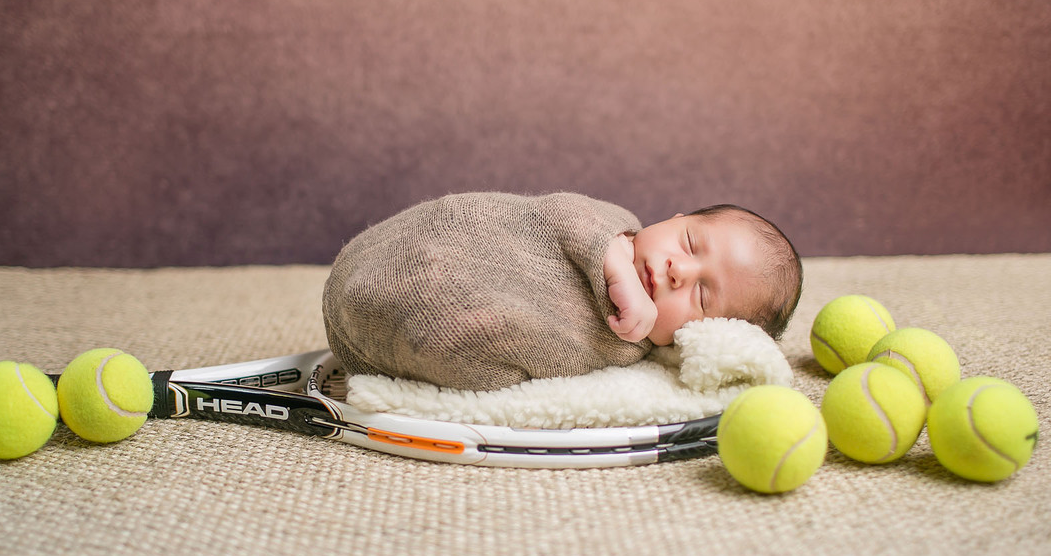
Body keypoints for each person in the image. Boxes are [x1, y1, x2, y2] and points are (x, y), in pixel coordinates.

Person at [323, 192, 802, 392]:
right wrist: (615, 267)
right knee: (447, 232)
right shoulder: (617, 230)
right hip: (415, 250)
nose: (680, 271)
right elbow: (557, 213)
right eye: (691, 244)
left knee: (472, 339)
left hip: (383, 343)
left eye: (701, 296)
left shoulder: (629, 359)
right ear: (675, 220)